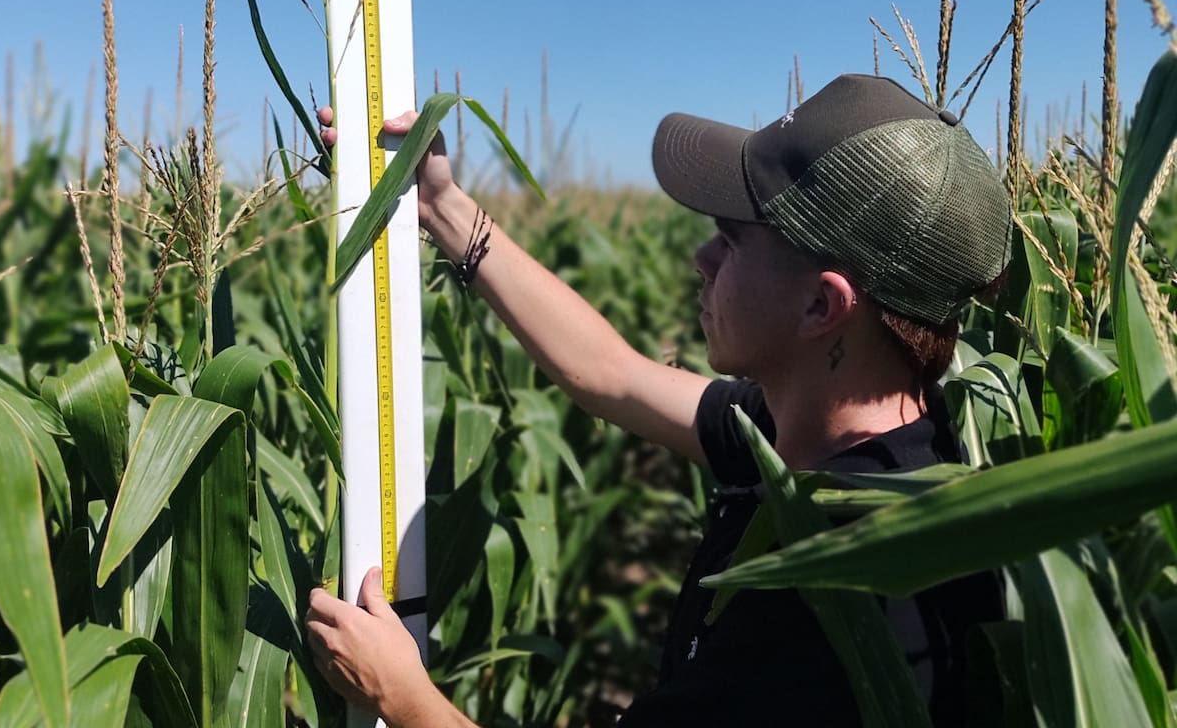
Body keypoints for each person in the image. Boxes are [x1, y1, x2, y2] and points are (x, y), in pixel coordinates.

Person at [305, 74, 1011, 727]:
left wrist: (403, 695)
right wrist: (441, 206)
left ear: (820, 306)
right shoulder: (830, 435)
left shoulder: (840, 595)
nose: (700, 258)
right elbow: (609, 374)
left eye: (732, 240)